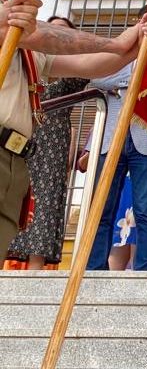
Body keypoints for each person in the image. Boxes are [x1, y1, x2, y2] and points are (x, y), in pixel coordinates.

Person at [0, 0, 146, 256]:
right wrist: (113, 44)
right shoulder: (16, 24)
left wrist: (133, 47)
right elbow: (45, 35)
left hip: (14, 157)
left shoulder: (20, 32)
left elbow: (87, 65)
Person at [6, 16, 87, 269]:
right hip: (23, 138)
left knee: (46, 202)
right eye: (50, 28)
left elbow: (90, 71)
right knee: (13, 196)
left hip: (53, 143)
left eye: (61, 31)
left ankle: (36, 267)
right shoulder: (26, 59)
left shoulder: (68, 69)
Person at [86, 53, 147, 271]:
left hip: (146, 141)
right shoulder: (117, 56)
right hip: (110, 141)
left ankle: (145, 271)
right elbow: (95, 78)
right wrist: (135, 76)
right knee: (101, 208)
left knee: (146, 210)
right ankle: (94, 267)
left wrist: (118, 80)